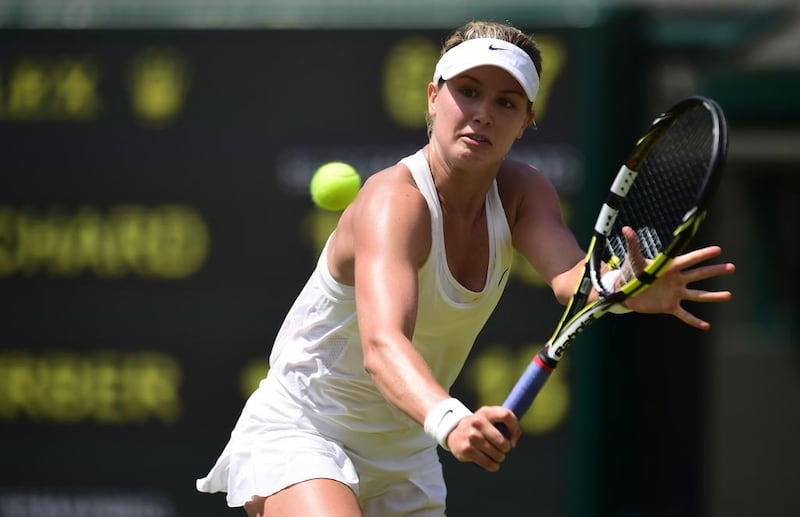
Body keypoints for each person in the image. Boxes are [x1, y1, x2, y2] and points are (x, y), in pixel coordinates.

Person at [196, 20, 735, 517]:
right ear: (433, 99)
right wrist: (452, 422)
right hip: (306, 432)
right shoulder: (394, 202)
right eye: (467, 91)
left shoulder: (524, 194)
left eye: (506, 102)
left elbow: (575, 282)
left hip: (405, 452)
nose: (482, 113)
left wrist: (624, 286)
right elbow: (383, 345)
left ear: (526, 121)